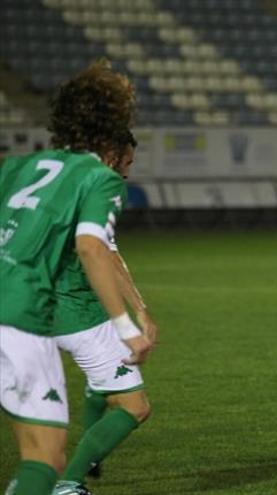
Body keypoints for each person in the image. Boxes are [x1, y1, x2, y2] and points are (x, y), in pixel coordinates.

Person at [0, 60, 152, 495]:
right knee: (124, 410)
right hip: (39, 313)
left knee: (39, 458)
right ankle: (68, 486)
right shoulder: (96, 178)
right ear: (111, 132)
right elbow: (93, 248)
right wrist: (129, 326)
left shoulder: (21, 167)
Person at [52, 132, 159, 495]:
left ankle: (90, 454)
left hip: (39, 304)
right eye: (127, 162)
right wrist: (137, 314)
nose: (127, 173)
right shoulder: (104, 184)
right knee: (135, 407)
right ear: (112, 156)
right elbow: (105, 254)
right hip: (77, 309)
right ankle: (67, 483)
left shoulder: (63, 177)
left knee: (102, 384)